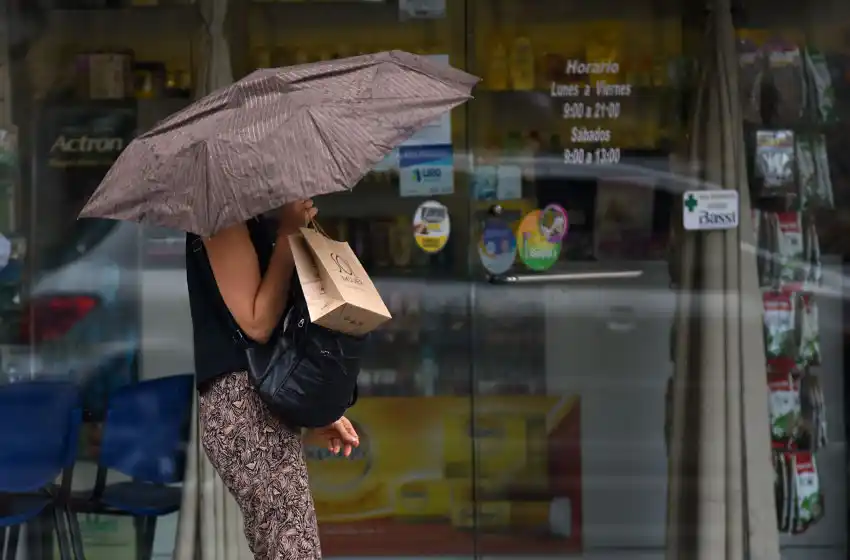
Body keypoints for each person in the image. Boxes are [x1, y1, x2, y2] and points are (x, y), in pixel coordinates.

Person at [185, 199, 359, 559]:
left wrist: (315, 410)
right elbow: (257, 323)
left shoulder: (246, 214)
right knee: (293, 548)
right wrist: (288, 235)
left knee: (287, 545)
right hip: (242, 409)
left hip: (256, 407)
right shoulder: (221, 213)